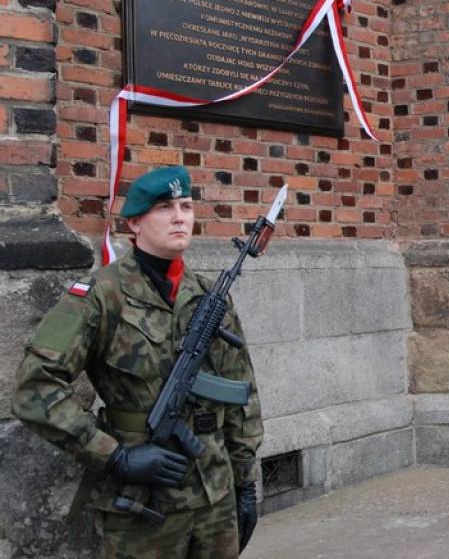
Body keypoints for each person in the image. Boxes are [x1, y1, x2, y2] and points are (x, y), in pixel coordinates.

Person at [11, 166, 264, 558]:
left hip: (215, 496)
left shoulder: (209, 296)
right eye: (164, 208)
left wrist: (246, 482)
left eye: (186, 206)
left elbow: (240, 393)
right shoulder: (100, 296)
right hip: (143, 505)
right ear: (135, 222)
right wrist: (114, 456)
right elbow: (35, 388)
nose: (180, 217)